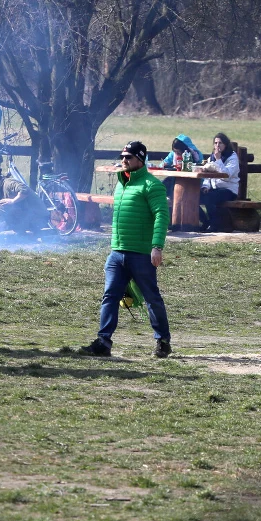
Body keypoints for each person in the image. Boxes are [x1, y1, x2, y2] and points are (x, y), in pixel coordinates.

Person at [76, 141, 172, 359]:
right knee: (110, 296)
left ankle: (163, 340)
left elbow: (161, 216)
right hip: (117, 252)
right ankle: (103, 342)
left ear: (140, 159)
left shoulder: (152, 185)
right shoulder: (121, 184)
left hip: (140, 253)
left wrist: (156, 247)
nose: (124, 161)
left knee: (151, 298)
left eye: (128, 157)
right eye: (123, 157)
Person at [199, 133, 240, 231]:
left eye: (220, 143)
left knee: (210, 198)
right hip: (215, 189)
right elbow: (208, 176)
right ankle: (205, 222)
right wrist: (205, 187)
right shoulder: (212, 157)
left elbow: (226, 175)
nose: (217, 145)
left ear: (225, 144)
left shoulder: (232, 157)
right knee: (194, 196)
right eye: (215, 143)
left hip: (229, 190)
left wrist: (218, 160)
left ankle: (215, 225)